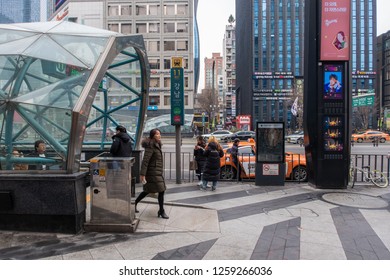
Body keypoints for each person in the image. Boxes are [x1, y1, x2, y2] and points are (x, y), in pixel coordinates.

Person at [135, 129, 169, 219]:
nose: (159, 135)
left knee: (148, 191)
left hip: (157, 172)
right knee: (161, 190)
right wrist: (142, 174)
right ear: (153, 135)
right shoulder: (150, 146)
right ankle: (161, 211)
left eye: (159, 133)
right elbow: (145, 161)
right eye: (157, 134)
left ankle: (135, 203)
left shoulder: (157, 144)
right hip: (152, 172)